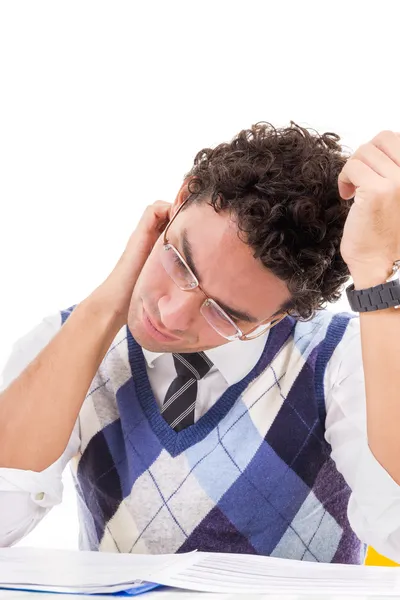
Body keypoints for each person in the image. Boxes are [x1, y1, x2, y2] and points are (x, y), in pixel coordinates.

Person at [1, 123, 400, 564]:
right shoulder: (71, 342)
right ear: (179, 200)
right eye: (178, 261)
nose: (171, 315)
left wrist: (374, 273)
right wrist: (101, 311)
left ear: (280, 316)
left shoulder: (342, 359)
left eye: (226, 313)